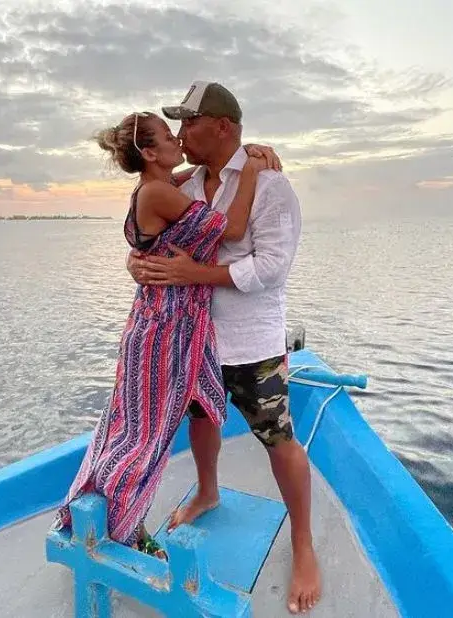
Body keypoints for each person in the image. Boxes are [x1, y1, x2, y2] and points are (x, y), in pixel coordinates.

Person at [52, 109, 281, 559]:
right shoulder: (158, 192)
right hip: (164, 332)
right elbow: (232, 229)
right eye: (166, 136)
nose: (178, 139)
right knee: (143, 437)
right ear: (150, 153)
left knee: (154, 423)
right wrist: (252, 171)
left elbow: (195, 173)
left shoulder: (157, 186)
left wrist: (241, 154)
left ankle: (136, 512)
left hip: (171, 326)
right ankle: (121, 528)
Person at [128, 81, 321, 614]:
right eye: (177, 125)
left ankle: (303, 543)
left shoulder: (270, 185)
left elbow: (271, 267)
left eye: (189, 122)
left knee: (278, 438)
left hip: (252, 342)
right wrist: (137, 262)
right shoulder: (185, 184)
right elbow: (153, 232)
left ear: (222, 126)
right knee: (201, 421)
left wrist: (197, 274)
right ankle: (208, 492)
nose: (181, 133)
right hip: (194, 338)